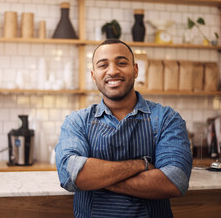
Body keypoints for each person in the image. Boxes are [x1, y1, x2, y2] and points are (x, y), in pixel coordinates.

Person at [55, 39, 192, 217]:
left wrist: (96, 179)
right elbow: (71, 175)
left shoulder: (166, 118)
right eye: (103, 65)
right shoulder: (77, 121)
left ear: (135, 70)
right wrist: (141, 164)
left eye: (121, 63)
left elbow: (175, 180)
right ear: (93, 75)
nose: (112, 71)